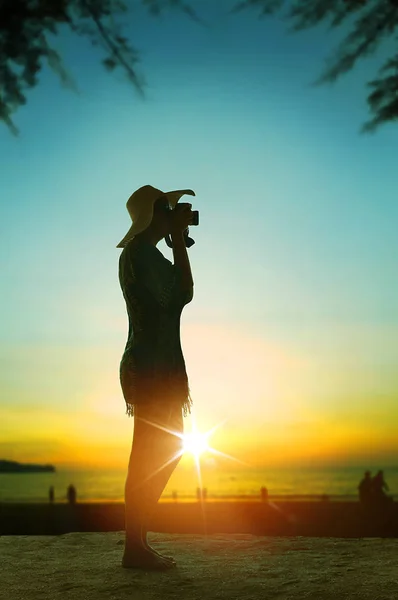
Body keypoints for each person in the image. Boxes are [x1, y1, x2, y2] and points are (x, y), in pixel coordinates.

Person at [117, 185, 196, 570]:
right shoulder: (142, 254)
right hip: (151, 366)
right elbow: (182, 292)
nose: (171, 212)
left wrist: (175, 239)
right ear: (153, 214)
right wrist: (179, 242)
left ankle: (138, 541)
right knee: (149, 452)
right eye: (166, 208)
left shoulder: (143, 253)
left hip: (153, 363)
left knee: (164, 449)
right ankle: (135, 546)